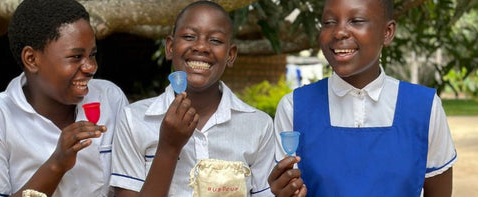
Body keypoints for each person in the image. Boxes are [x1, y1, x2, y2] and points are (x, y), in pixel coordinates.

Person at [268, 0, 457, 196]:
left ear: (387, 32)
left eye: (356, 20)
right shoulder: (294, 107)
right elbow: (288, 187)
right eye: (328, 22)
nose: (339, 32)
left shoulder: (424, 108)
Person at [0, 0, 129, 196]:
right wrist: (56, 165)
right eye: (75, 57)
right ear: (31, 59)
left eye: (92, 54)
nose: (90, 67)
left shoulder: (109, 98)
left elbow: (130, 185)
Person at [110, 1, 275, 196]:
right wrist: (169, 148)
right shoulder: (134, 120)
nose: (201, 46)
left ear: (231, 55)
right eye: (189, 36)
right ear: (170, 47)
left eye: (215, 40)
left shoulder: (258, 126)